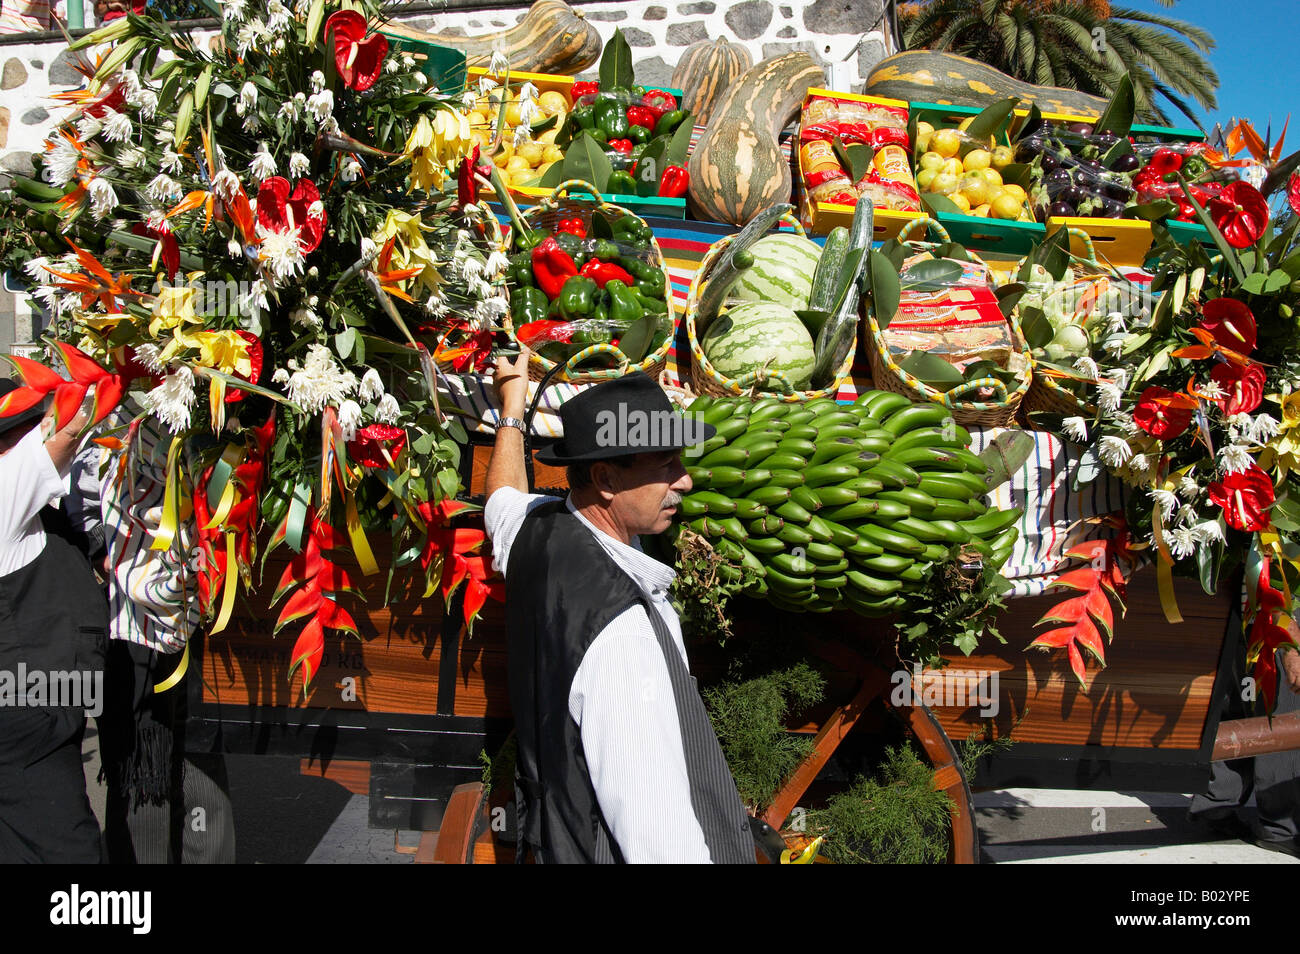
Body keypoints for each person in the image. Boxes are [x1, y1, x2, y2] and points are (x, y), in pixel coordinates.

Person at [483, 353, 755, 864]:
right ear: (606, 478)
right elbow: (658, 835)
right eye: (666, 465)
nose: (686, 481)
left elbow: (501, 499)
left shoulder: (535, 530)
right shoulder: (624, 631)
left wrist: (513, 406)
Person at [0, 379, 106, 863]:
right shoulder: (5, 490)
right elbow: (68, 432)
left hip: (34, 701)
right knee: (66, 850)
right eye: (24, 430)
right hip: (24, 705)